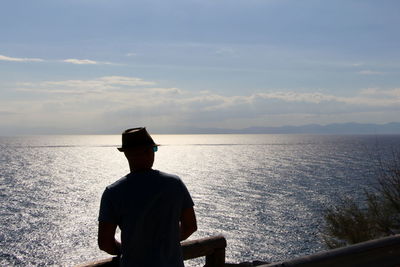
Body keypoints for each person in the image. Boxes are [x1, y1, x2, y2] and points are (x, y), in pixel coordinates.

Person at [98, 127, 197, 267]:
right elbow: (190, 225)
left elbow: (105, 242)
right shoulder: (175, 184)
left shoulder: (113, 192)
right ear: (149, 152)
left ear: (126, 154)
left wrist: (126, 249)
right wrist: (167, 243)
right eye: (153, 149)